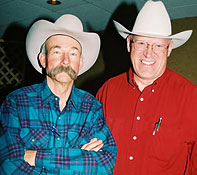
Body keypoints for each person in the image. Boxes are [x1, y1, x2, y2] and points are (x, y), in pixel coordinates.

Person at [0, 14, 117, 175]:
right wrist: (80, 156)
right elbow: (8, 165)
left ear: (80, 63)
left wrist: (35, 156)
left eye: (73, 54)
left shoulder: (92, 107)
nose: (65, 61)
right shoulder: (16, 102)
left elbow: (105, 165)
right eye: (56, 52)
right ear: (43, 59)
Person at [96, 1, 197, 174]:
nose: (148, 53)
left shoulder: (191, 96)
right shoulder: (107, 90)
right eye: (141, 43)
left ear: (169, 48)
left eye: (158, 45)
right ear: (129, 44)